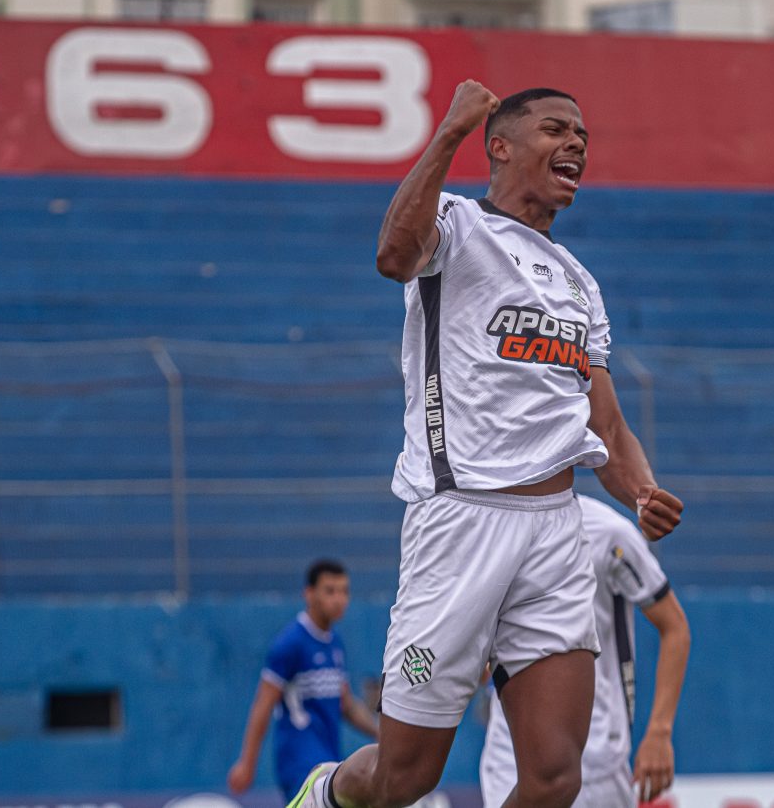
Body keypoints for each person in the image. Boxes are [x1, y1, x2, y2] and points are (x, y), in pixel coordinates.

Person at [287, 81, 683, 808]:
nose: (576, 145)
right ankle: (325, 794)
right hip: (461, 518)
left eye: (584, 137)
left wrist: (643, 491)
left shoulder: (579, 283)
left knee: (556, 775)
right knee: (407, 775)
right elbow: (391, 256)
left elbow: (607, 423)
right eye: (556, 129)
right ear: (498, 145)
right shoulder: (455, 225)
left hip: (556, 530)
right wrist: (446, 134)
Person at [480, 493, 691, 807]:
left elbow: (675, 628)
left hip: (598, 763)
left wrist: (659, 733)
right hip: (510, 755)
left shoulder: (609, 533)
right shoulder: (488, 531)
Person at [228, 559, 378, 804]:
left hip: (329, 757)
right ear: (309, 594)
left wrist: (379, 732)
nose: (339, 598)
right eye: (330, 591)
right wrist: (247, 762)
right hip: (300, 762)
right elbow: (263, 704)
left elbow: (346, 705)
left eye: (344, 591)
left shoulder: (334, 644)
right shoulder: (290, 644)